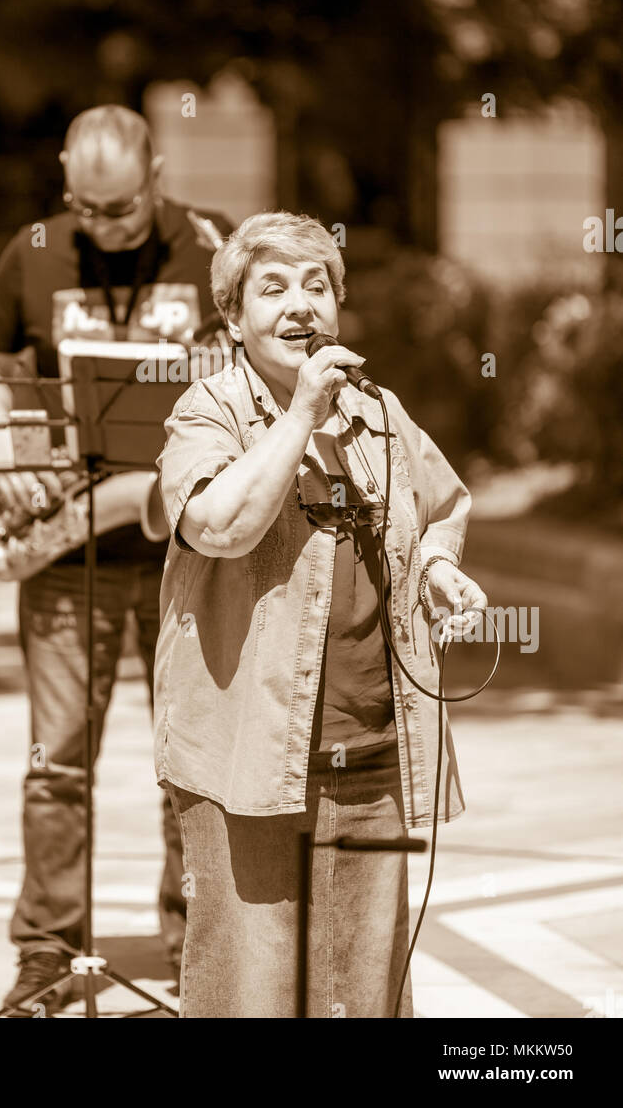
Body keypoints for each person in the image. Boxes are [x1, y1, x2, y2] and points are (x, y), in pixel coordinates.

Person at [153, 210, 488, 1018]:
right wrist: (300, 413)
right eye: (273, 289)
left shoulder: (379, 412)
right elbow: (219, 527)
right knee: (253, 994)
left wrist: (439, 567)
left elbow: (443, 503)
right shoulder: (208, 412)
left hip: (373, 747)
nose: (301, 305)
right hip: (249, 758)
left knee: (366, 993)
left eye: (318, 286)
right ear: (233, 318)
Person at [0, 105, 232, 1014]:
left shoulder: (212, 248)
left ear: (157, 175)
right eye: (84, 206)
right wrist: (10, 465)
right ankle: (46, 956)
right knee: (56, 764)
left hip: (188, 556)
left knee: (190, 764)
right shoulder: (33, 249)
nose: (102, 227)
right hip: (66, 557)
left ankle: (200, 946)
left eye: (119, 210)